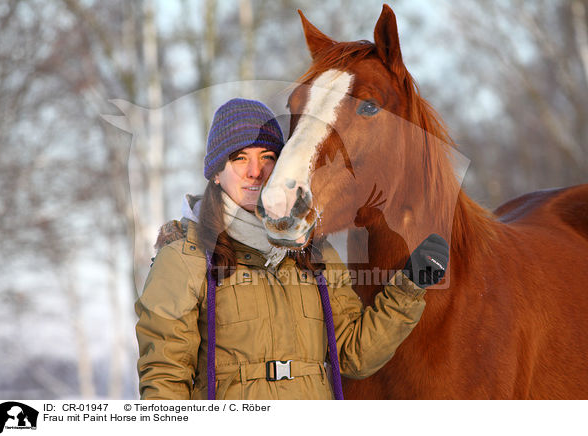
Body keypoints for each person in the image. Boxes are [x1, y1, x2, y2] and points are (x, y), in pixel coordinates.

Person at [135, 97, 449, 400]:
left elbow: (355, 355)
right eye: (239, 158)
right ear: (216, 173)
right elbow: (165, 378)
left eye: (267, 157)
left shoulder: (314, 254)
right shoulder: (184, 257)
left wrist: (410, 285)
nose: (255, 171)